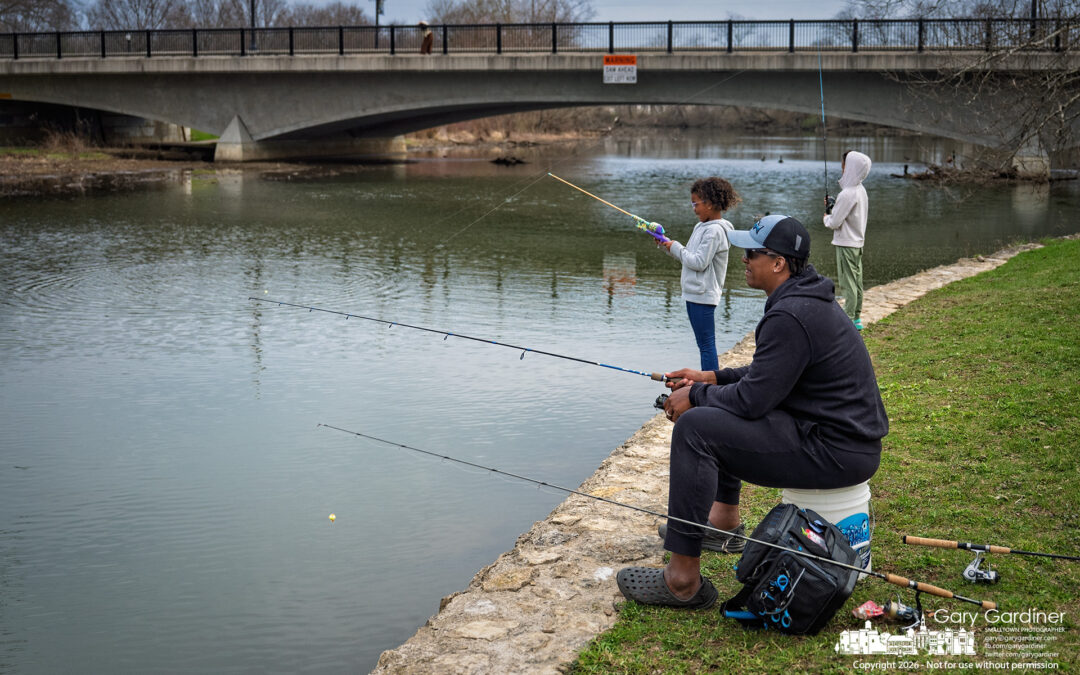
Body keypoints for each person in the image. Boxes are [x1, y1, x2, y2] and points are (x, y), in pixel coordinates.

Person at [616, 214, 888, 609]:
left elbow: (752, 400)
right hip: (840, 442)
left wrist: (695, 396)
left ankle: (681, 581)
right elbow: (769, 374)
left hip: (834, 451)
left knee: (695, 428)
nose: (743, 259)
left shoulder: (790, 314)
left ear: (778, 263)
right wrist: (711, 377)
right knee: (715, 412)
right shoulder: (804, 301)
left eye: (752, 253)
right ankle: (722, 525)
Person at [659, 177, 739, 371]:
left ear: (709, 204)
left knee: (706, 345)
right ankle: (710, 381)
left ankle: (711, 383)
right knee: (703, 344)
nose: (694, 209)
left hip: (703, 295)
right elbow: (688, 255)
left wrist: (675, 246)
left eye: (696, 204)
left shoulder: (715, 231)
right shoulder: (701, 227)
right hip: (694, 293)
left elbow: (698, 263)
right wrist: (666, 245)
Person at [823, 150, 872, 330]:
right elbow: (848, 214)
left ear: (850, 167)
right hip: (857, 243)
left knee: (847, 281)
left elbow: (835, 222)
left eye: (844, 164)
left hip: (846, 244)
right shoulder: (860, 190)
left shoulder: (847, 193)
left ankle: (849, 318)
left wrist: (826, 217)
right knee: (856, 280)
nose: (842, 168)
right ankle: (856, 317)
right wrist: (834, 206)